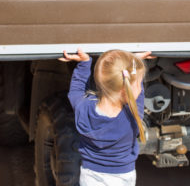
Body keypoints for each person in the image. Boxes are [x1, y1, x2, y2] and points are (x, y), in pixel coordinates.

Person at [59, 49, 154, 186]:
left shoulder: (83, 108)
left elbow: (76, 91)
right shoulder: (132, 117)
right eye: (139, 84)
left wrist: (84, 63)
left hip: (90, 176)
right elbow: (137, 97)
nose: (140, 88)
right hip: (123, 178)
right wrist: (134, 60)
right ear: (127, 89)